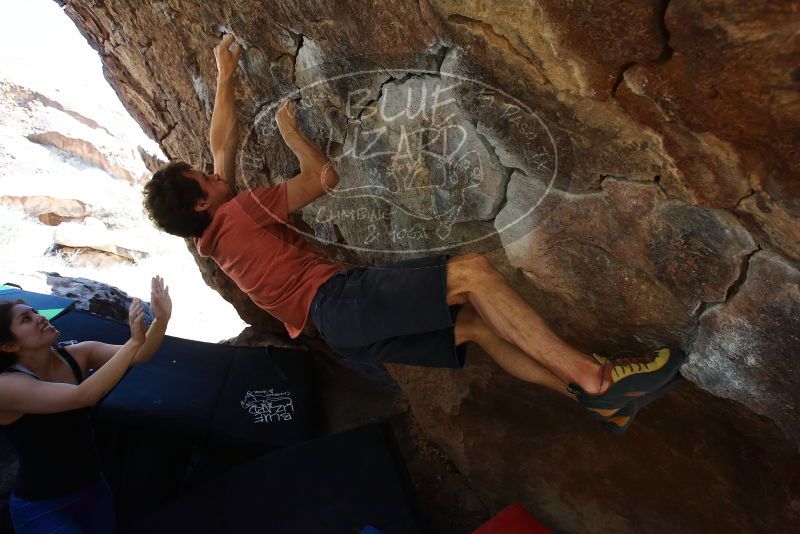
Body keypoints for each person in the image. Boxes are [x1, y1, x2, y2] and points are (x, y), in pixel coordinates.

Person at [143, 35, 684, 434]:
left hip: (337, 333)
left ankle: (594, 403)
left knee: (475, 326)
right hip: (338, 302)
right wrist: (294, 136)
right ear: (200, 202)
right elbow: (322, 179)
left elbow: (222, 147)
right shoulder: (241, 212)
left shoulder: (212, 238)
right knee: (473, 274)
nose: (217, 176)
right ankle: (596, 379)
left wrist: (223, 75)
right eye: (205, 182)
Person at [0, 276, 172, 534]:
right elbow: (83, 396)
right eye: (26, 319)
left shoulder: (77, 354)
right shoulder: (7, 385)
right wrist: (134, 341)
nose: (39, 317)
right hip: (42, 506)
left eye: (34, 312)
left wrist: (161, 320)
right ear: (9, 346)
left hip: (93, 489)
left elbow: (141, 354)